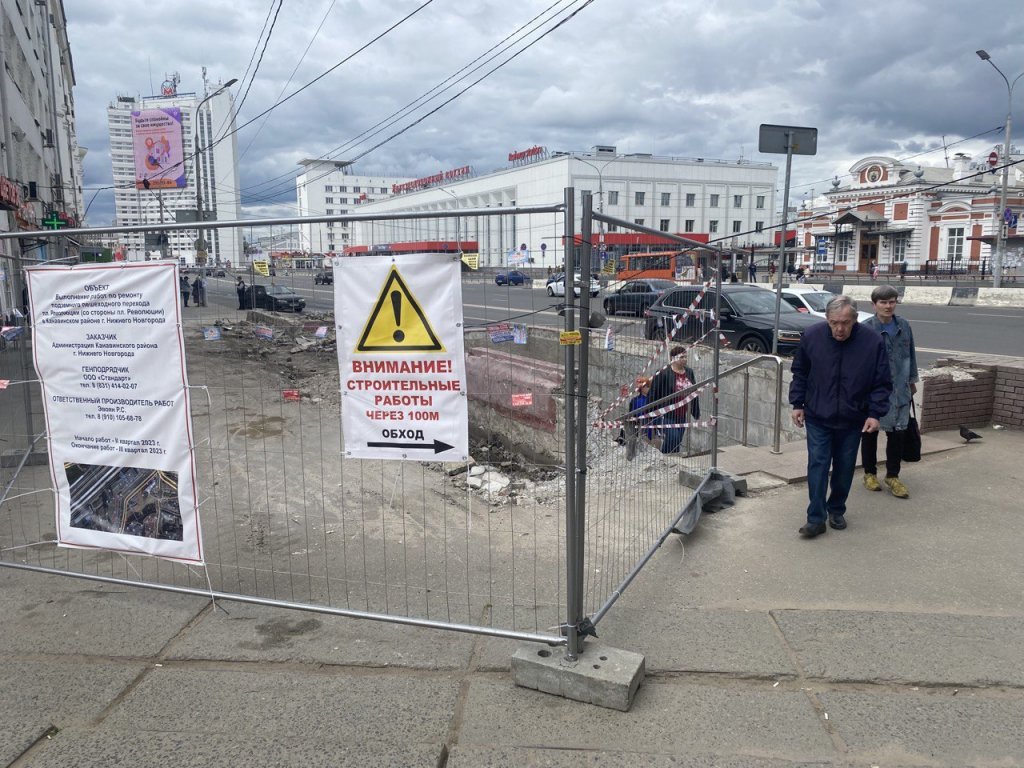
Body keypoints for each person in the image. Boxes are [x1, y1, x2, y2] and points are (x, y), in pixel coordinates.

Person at [789, 296, 892, 537]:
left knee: (845, 467)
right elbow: (800, 372)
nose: (839, 328)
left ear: (855, 320)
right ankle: (815, 518)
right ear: (826, 319)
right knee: (818, 464)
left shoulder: (872, 342)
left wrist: (875, 414)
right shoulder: (812, 337)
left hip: (852, 417)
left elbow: (882, 382)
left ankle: (836, 509)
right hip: (817, 415)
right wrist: (797, 403)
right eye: (834, 322)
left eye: (845, 322)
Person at [860, 285, 918, 499]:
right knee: (870, 433)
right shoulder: (866, 329)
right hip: (874, 391)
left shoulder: (903, 325)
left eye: (892, 301)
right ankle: (869, 473)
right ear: (874, 305)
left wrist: (912, 380)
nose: (888, 306)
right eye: (883, 302)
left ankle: (893, 476)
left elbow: (911, 353)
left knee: (898, 433)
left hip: (900, 389)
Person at [649, 346, 701, 454]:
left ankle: (671, 461)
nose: (685, 359)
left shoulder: (689, 372)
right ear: (673, 358)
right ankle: (665, 457)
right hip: (666, 414)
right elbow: (653, 393)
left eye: (686, 357)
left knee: (677, 441)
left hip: (681, 414)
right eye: (682, 357)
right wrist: (651, 414)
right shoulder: (663, 373)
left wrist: (696, 413)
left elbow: (694, 392)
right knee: (673, 437)